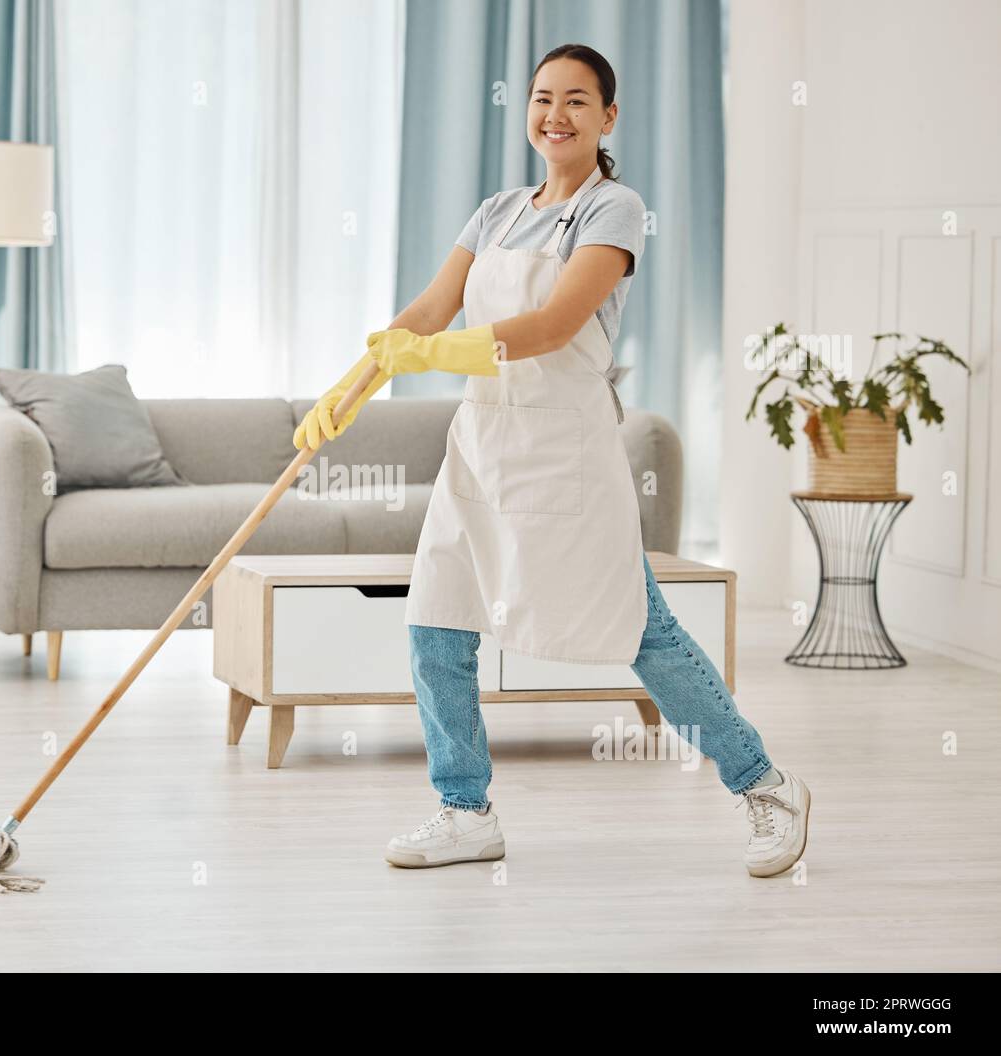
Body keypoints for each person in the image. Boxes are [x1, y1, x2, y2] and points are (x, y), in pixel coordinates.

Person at [293, 43, 809, 878]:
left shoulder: (615, 209)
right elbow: (428, 308)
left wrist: (430, 357)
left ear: (608, 117)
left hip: (565, 455)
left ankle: (767, 787)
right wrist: (352, 384)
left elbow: (553, 327)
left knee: (644, 635)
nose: (555, 115)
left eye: (576, 100)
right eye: (542, 98)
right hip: (482, 449)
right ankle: (465, 810)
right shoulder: (497, 210)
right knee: (436, 621)